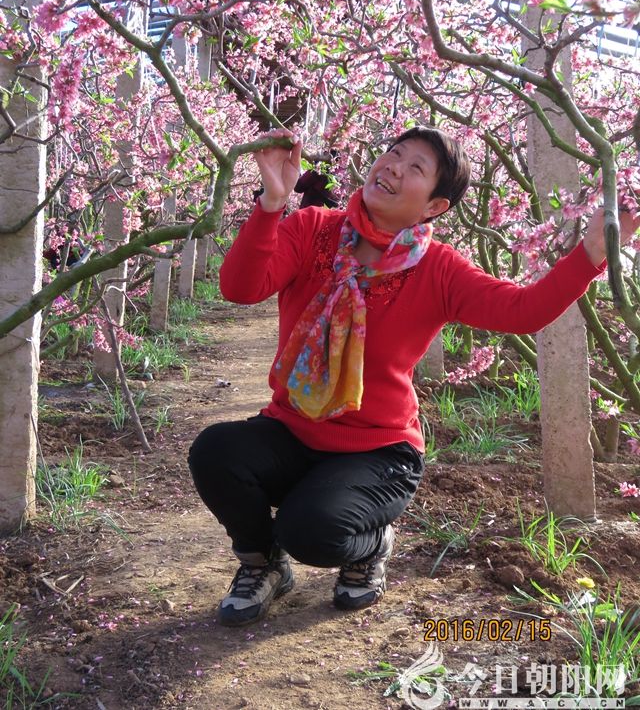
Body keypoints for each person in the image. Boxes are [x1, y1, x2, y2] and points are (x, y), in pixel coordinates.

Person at [188, 125, 636, 628]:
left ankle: (370, 544)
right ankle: (261, 563)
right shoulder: (313, 228)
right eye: (393, 153)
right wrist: (272, 203)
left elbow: (523, 310)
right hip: (292, 429)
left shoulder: (438, 269)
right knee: (216, 452)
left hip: (377, 451)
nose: (393, 167)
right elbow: (240, 288)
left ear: (434, 207)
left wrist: (591, 252)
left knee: (310, 531)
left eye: (415, 168)